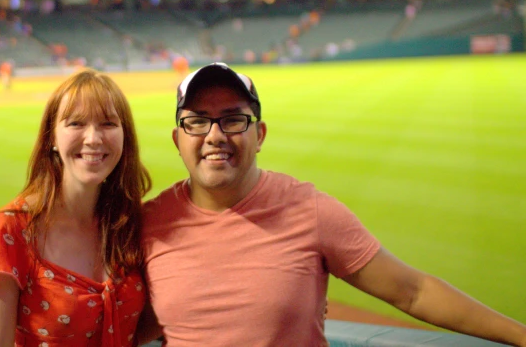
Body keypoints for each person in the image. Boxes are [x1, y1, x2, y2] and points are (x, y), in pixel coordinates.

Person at [138, 62, 526, 347]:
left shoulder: (309, 210)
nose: (215, 135)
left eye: (234, 119)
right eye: (198, 121)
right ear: (178, 139)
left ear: (260, 135)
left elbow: (413, 291)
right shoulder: (151, 223)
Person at [0, 69, 152, 347]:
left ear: (125, 136)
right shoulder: (9, 231)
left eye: (108, 124)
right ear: (52, 137)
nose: (93, 138)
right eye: (76, 123)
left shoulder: (130, 223)